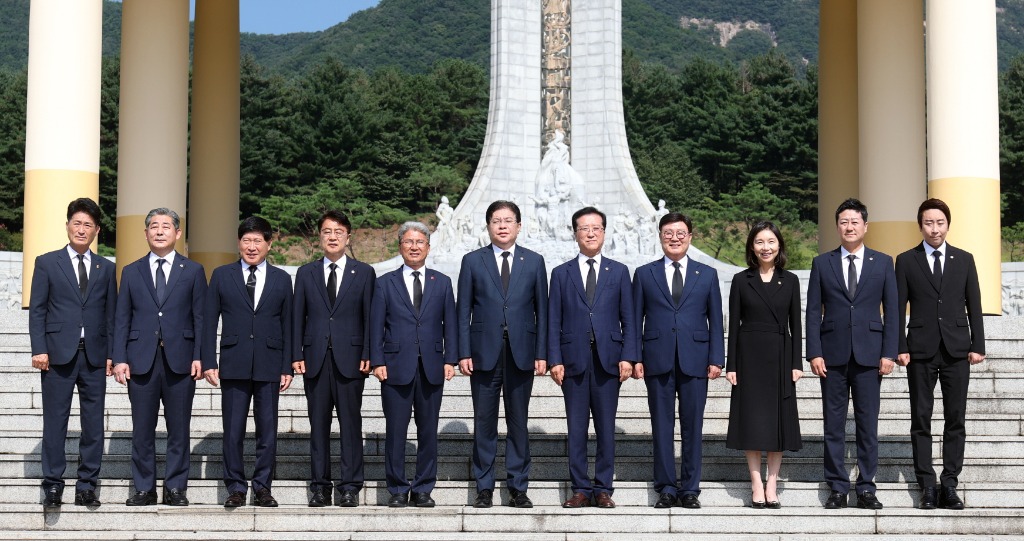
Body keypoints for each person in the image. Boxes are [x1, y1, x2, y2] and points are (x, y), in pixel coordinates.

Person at [806, 198, 897, 510]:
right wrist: (814, 352)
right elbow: (812, 312)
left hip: (871, 356)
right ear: (837, 226)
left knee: (867, 424)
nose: (849, 227)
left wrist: (890, 353)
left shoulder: (883, 263)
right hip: (831, 357)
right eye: (843, 222)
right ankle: (837, 487)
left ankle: (867, 487)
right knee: (832, 425)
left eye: (854, 221)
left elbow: (893, 312)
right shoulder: (822, 263)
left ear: (865, 226)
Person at [895, 198, 985, 510]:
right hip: (919, 350)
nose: (935, 228)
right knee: (921, 418)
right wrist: (900, 346)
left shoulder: (964, 259)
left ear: (948, 224)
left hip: (957, 349)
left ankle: (949, 484)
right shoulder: (906, 260)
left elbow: (974, 304)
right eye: (929, 223)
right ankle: (926, 484)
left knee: (955, 418)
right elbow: (897, 308)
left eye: (940, 223)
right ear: (920, 226)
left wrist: (978, 345)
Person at [457, 200, 548, 508]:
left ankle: (517, 486)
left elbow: (543, 312)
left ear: (519, 226)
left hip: (522, 352)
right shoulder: (472, 261)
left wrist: (542, 352)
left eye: (508, 220)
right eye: (496, 221)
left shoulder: (534, 262)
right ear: (489, 226)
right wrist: (463, 351)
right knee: (484, 421)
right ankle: (484, 487)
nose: (503, 226)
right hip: (483, 353)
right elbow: (462, 310)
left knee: (518, 421)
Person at [113, 208, 206, 507]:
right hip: (141, 361)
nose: (160, 231)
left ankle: (176, 488)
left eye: (166, 226)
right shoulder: (131, 270)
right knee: (142, 429)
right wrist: (119, 358)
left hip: (181, 361)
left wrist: (200, 356)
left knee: (179, 428)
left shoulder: (192, 271)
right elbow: (121, 319)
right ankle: (144, 488)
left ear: (178, 233)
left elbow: (200, 318)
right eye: (154, 226)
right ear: (145, 233)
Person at [632, 212, 724, 509]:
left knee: (692, 426)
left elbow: (716, 319)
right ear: (660, 237)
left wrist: (717, 358)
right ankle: (666, 487)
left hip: (696, 359)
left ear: (690, 237)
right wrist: (634, 357)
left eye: (680, 233)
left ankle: (690, 488)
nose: (674, 238)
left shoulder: (706, 274)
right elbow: (634, 320)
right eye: (668, 233)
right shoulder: (645, 274)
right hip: (656, 359)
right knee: (661, 426)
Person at [29, 198, 116, 508]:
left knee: (93, 424)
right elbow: (37, 309)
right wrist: (38, 347)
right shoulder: (47, 262)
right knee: (55, 422)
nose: (82, 229)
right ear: (67, 225)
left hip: (94, 356)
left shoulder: (106, 268)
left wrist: (112, 354)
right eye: (77, 223)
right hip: (56, 355)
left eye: (88, 225)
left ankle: (87, 485)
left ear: (97, 230)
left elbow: (111, 314)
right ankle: (53, 484)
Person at [547, 207, 636, 509]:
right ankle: (580, 488)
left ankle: (603, 488)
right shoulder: (561, 273)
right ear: (575, 234)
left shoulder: (619, 271)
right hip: (572, 361)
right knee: (576, 428)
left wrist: (628, 356)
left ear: (604, 232)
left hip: (608, 361)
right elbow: (552, 320)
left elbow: (630, 319)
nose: (590, 233)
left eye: (596, 228)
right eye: (584, 228)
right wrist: (554, 359)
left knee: (606, 428)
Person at [202, 216, 293, 508]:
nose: (251, 247)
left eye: (257, 241)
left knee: (267, 430)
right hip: (234, 361)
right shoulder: (221, 275)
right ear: (238, 243)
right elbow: (208, 322)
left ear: (269, 244)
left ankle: (263, 487)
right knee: (233, 430)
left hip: (269, 362)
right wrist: (208, 360)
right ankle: (236, 488)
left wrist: (287, 365)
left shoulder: (282, 279)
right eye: (246, 240)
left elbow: (288, 325)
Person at [370, 222, 457, 508]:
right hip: (394, 367)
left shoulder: (442, 282)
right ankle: (396, 488)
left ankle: (422, 488)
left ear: (428, 248)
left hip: (431, 367)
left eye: (420, 242)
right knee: (396, 431)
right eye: (409, 241)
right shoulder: (384, 283)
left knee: (427, 431)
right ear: (400, 246)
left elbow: (451, 326)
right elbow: (375, 327)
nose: (414, 246)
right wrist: (377, 361)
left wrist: (450, 359)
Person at [292, 211, 375, 507]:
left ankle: (350, 486)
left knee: (351, 424)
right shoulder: (305, 273)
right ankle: (320, 487)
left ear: (348, 237)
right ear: (319, 236)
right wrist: (295, 354)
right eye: (327, 231)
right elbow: (296, 318)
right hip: (314, 358)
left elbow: (370, 318)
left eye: (338, 231)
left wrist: (369, 353)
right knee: (319, 425)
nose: (332, 236)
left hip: (351, 359)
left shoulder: (364, 273)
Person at [724, 221, 803, 509]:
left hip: (781, 355)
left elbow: (796, 324)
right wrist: (731, 364)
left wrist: (797, 362)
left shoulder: (791, 280)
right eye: (760, 242)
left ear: (779, 245)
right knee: (752, 420)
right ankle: (756, 483)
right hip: (749, 356)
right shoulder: (741, 279)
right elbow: (733, 325)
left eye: (771, 241)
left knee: (778, 421)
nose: (765, 247)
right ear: (752, 247)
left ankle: (773, 484)